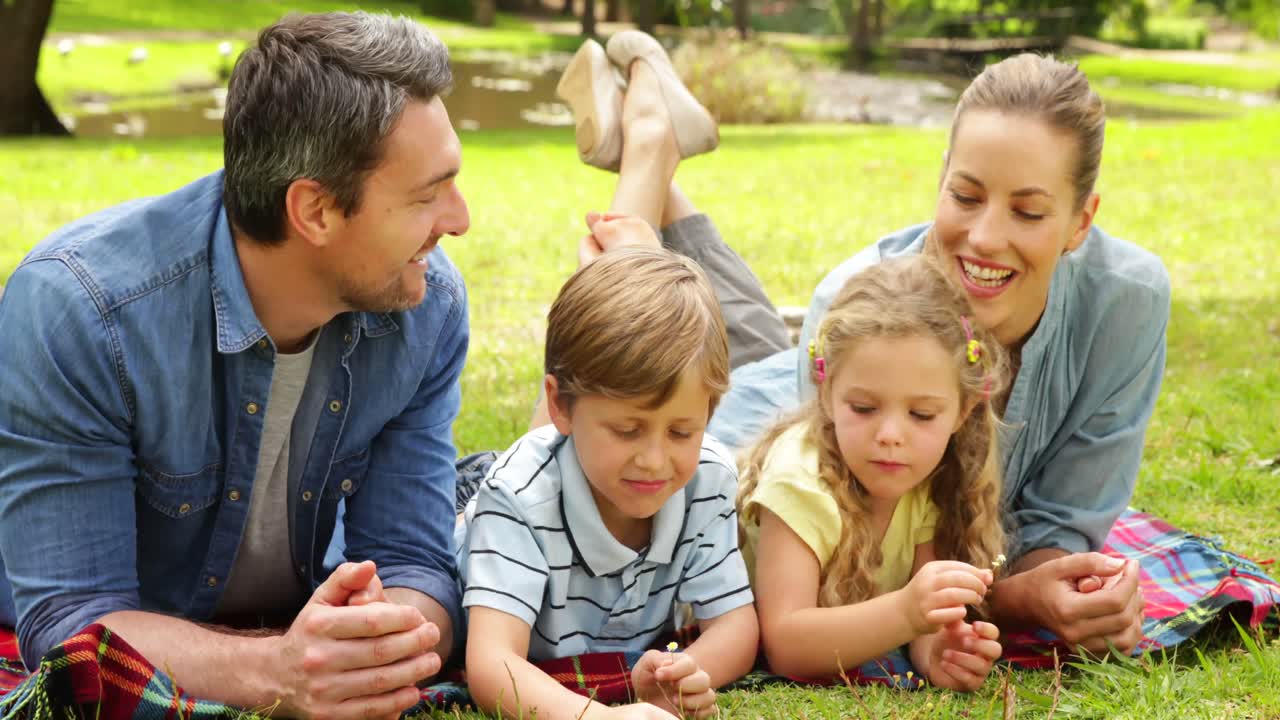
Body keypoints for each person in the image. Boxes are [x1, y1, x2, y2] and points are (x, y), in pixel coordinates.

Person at [558, 48, 1167, 657]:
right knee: (656, 350)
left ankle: (665, 169)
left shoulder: (1126, 304)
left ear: (1081, 221)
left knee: (758, 341)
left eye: (1028, 211)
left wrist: (1057, 587)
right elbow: (823, 584)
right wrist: (1007, 598)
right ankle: (647, 155)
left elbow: (1066, 518)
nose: (985, 236)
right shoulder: (844, 320)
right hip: (762, 412)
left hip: (805, 368)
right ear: (941, 179)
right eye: (965, 196)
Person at [0, 13, 469, 719]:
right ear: (313, 209)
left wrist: (370, 644)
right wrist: (274, 670)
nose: (459, 219)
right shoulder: (82, 311)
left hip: (305, 602)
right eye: (428, 194)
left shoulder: (423, 306)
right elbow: (73, 623)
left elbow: (414, 562)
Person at [457, 248, 758, 720]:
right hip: (466, 504)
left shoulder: (708, 475)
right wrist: (602, 717)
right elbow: (492, 664)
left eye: (681, 432)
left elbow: (737, 627)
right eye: (627, 430)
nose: (655, 461)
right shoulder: (517, 497)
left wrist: (676, 676)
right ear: (559, 405)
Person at [737, 256, 1008, 689]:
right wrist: (905, 612)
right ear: (826, 393)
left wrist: (939, 650)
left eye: (921, 414)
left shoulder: (925, 477)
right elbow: (785, 644)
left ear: (963, 411)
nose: (890, 435)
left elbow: (917, 626)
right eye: (863, 408)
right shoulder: (799, 483)